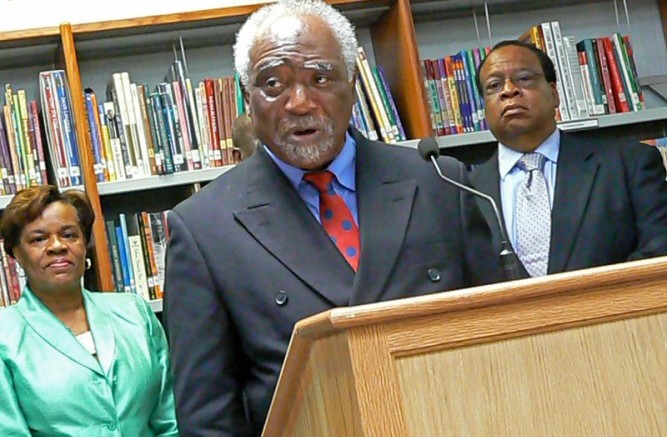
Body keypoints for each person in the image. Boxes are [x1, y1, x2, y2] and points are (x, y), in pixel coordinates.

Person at [163, 0, 501, 434]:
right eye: (273, 84)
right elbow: (208, 418)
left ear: (353, 84)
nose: (299, 103)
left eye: (320, 78)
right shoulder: (204, 228)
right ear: (249, 100)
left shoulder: (439, 182)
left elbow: (494, 342)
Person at [471, 40, 667, 278]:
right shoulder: (465, 191)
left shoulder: (629, 164)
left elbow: (658, 251)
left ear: (554, 94)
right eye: (494, 85)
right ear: (484, 108)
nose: (508, 90)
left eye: (524, 79)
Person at [0, 186, 178, 436]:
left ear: (85, 244)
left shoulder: (134, 312)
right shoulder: (5, 335)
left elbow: (169, 418)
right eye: (39, 239)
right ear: (15, 253)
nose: (57, 246)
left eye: (69, 234)